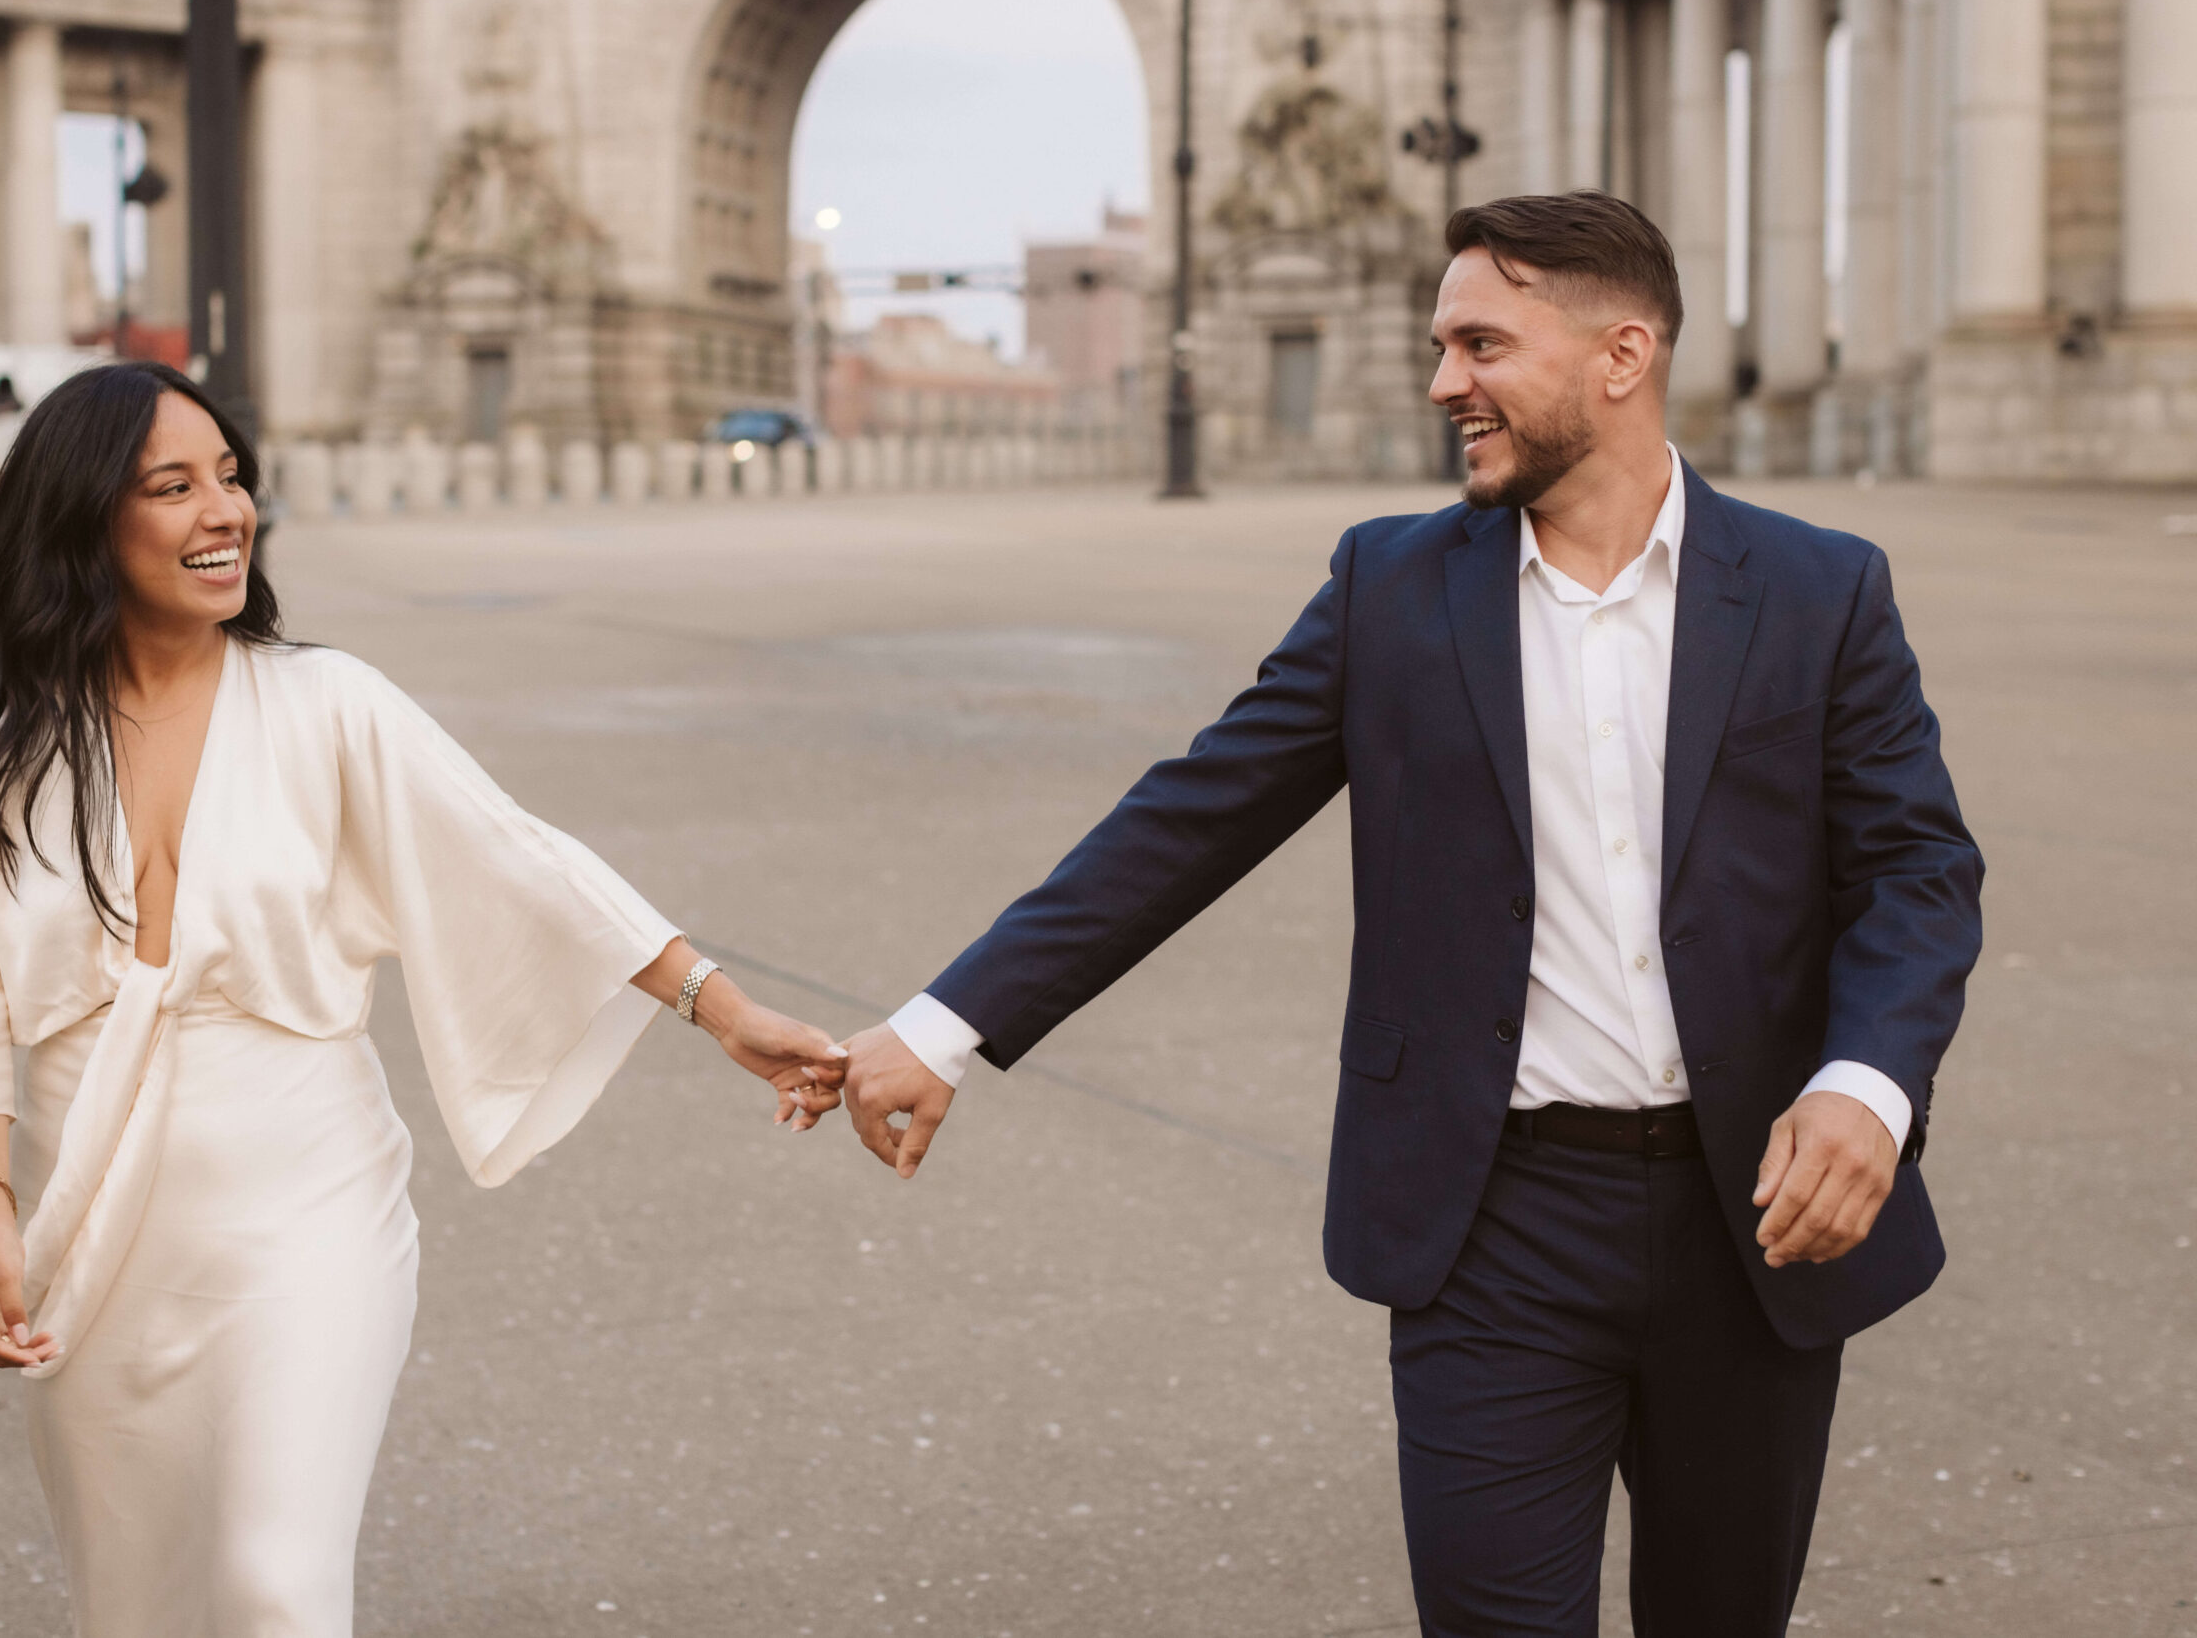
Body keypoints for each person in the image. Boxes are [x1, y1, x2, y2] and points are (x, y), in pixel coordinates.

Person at [838, 192, 1983, 1636]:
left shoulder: (1822, 590)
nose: (1444, 381)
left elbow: (1916, 867)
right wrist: (945, 1025)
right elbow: (1189, 819)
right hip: (1491, 1219)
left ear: (1619, 355)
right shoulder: (1392, 589)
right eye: (1441, 346)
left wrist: (1866, 1083)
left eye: (1480, 343)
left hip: (1755, 1216)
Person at [0, 360, 846, 1636]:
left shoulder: (325, 702)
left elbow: (512, 861)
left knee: (278, 1589)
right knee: (141, 1601)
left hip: (310, 1196)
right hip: (99, 1224)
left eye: (229, 476)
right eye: (171, 487)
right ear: (84, 522)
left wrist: (723, 1009)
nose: (223, 510)